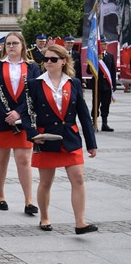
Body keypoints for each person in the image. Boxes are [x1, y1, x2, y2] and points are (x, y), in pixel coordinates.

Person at [21, 44, 98, 234]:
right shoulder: (34, 83)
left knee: (78, 178)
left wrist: (91, 143)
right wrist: (32, 135)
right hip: (46, 138)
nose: (48, 62)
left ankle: (80, 222)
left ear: (63, 61)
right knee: (46, 182)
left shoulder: (74, 83)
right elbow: (25, 113)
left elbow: (84, 115)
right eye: (45, 59)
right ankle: (44, 217)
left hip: (70, 137)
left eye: (53, 59)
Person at [0, 32, 40, 215]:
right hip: (1, 119)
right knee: (1, 159)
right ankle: (0, 196)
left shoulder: (32, 68)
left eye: (15, 43)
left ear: (22, 45)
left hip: (23, 119)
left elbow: (34, 94)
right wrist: (7, 115)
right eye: (8, 43)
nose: (11, 46)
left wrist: (18, 112)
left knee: (24, 159)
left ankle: (29, 201)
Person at [91, 43, 116, 131]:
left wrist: (114, 85)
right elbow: (89, 71)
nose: (104, 46)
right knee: (96, 104)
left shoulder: (110, 56)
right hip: (97, 84)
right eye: (102, 44)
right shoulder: (94, 56)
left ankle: (104, 124)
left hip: (107, 85)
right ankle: (94, 123)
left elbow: (113, 71)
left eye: (105, 44)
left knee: (106, 105)